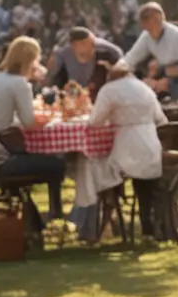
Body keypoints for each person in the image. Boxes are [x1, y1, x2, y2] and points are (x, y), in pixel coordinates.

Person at [71, 61, 168, 244]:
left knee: (93, 167)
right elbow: (161, 119)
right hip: (151, 145)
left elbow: (94, 121)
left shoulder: (109, 90)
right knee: (145, 186)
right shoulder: (144, 88)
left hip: (126, 148)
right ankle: (147, 227)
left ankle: (96, 220)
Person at [0, 37, 67, 214]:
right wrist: (50, 117)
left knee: (48, 159)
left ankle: (27, 213)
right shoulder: (19, 84)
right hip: (2, 157)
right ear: (30, 60)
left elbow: (4, 117)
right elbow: (29, 122)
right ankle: (54, 213)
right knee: (58, 163)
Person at [123, 2, 178, 100]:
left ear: (159, 19)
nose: (149, 31)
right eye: (146, 28)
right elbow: (131, 58)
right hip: (167, 74)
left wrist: (166, 75)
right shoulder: (147, 36)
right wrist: (120, 69)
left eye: (152, 25)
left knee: (171, 85)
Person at [49, 26, 122, 92]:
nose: (92, 47)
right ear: (74, 46)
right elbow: (51, 75)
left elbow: (119, 55)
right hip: (70, 92)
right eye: (84, 44)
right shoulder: (62, 52)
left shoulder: (103, 49)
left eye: (93, 43)